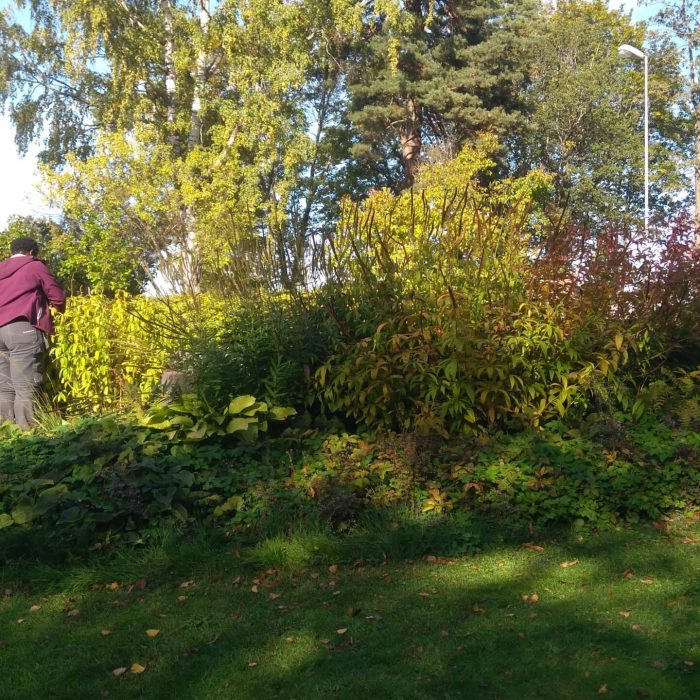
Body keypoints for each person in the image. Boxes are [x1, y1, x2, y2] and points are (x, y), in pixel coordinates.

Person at [0, 236, 66, 429]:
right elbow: (57, 296)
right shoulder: (34, 266)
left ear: (12, 252)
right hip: (21, 328)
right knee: (26, 387)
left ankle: (5, 434)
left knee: (4, 388)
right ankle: (29, 436)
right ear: (31, 253)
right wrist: (59, 309)